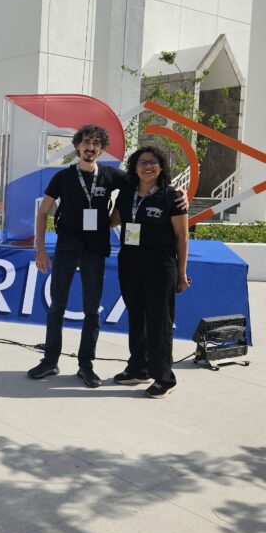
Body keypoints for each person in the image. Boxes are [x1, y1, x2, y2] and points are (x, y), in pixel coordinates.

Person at [27, 124, 187, 388]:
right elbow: (43, 212)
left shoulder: (112, 175)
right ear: (77, 146)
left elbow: (147, 181)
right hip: (67, 248)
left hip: (95, 250)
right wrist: (40, 249)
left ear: (101, 149)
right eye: (86, 143)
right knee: (57, 307)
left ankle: (86, 365)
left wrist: (178, 193)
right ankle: (50, 360)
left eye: (96, 144)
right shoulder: (63, 177)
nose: (90, 148)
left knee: (91, 310)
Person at [110, 144, 190, 398]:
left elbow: (182, 238)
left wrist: (181, 273)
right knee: (136, 316)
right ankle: (139, 368)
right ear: (134, 168)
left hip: (160, 265)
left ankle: (164, 378)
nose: (148, 166)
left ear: (161, 167)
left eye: (153, 162)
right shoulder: (126, 193)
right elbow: (112, 220)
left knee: (159, 321)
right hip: (129, 262)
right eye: (142, 162)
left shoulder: (172, 196)